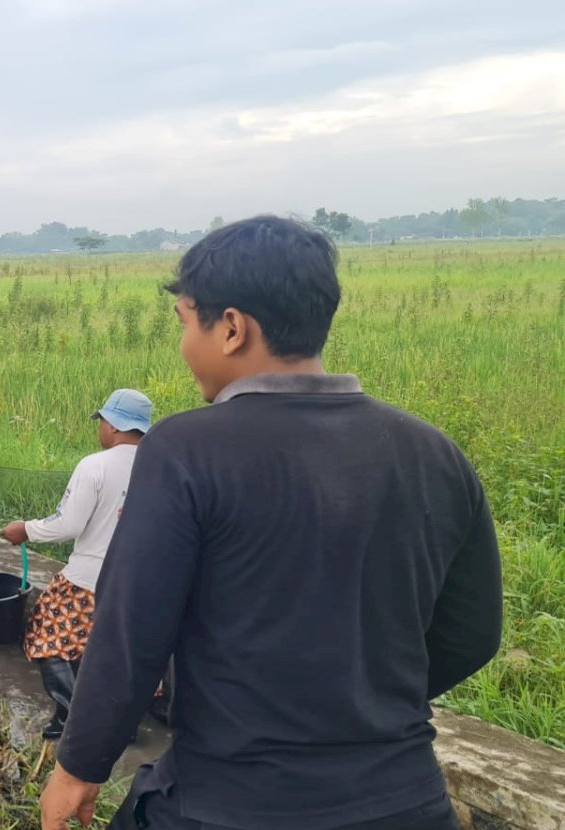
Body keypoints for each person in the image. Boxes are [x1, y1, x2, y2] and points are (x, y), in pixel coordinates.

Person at [40, 217, 504, 830]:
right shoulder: (433, 454)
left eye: (185, 323)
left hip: (231, 802)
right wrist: (358, 706)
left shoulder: (185, 450)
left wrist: (78, 769)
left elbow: (131, 637)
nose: (184, 348)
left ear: (231, 327)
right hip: (405, 799)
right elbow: (472, 633)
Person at [0, 389, 151, 742]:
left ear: (113, 426)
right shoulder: (159, 465)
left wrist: (27, 529)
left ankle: (78, 719)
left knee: (45, 637)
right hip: (138, 584)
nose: (99, 429)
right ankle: (118, 723)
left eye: (102, 422)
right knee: (105, 652)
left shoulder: (95, 466)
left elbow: (68, 524)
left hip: (89, 579)